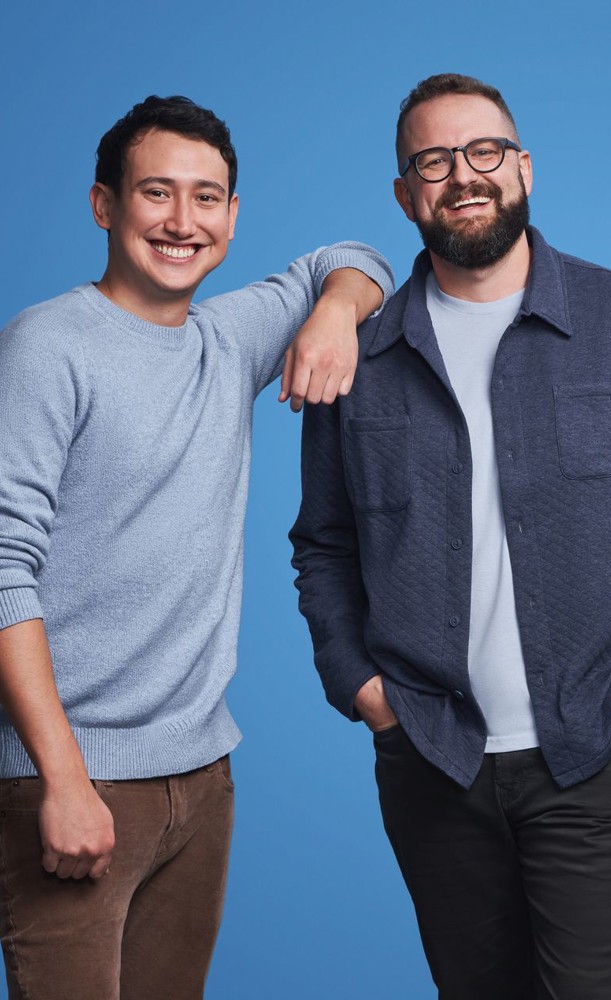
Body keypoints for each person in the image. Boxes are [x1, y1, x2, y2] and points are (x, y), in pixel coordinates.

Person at [291, 72, 611, 999]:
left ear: (524, 168)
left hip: (598, 758)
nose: (464, 175)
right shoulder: (359, 355)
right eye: (433, 160)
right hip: (431, 763)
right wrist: (364, 687)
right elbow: (325, 544)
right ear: (404, 193)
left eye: (485, 151)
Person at [0, 95, 393, 1000]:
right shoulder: (47, 346)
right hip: (73, 780)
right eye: (157, 194)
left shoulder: (227, 338)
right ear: (105, 205)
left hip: (201, 781)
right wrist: (61, 779)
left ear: (232, 215)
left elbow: (356, 257)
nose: (183, 222)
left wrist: (334, 313)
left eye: (207, 198)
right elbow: (5, 570)